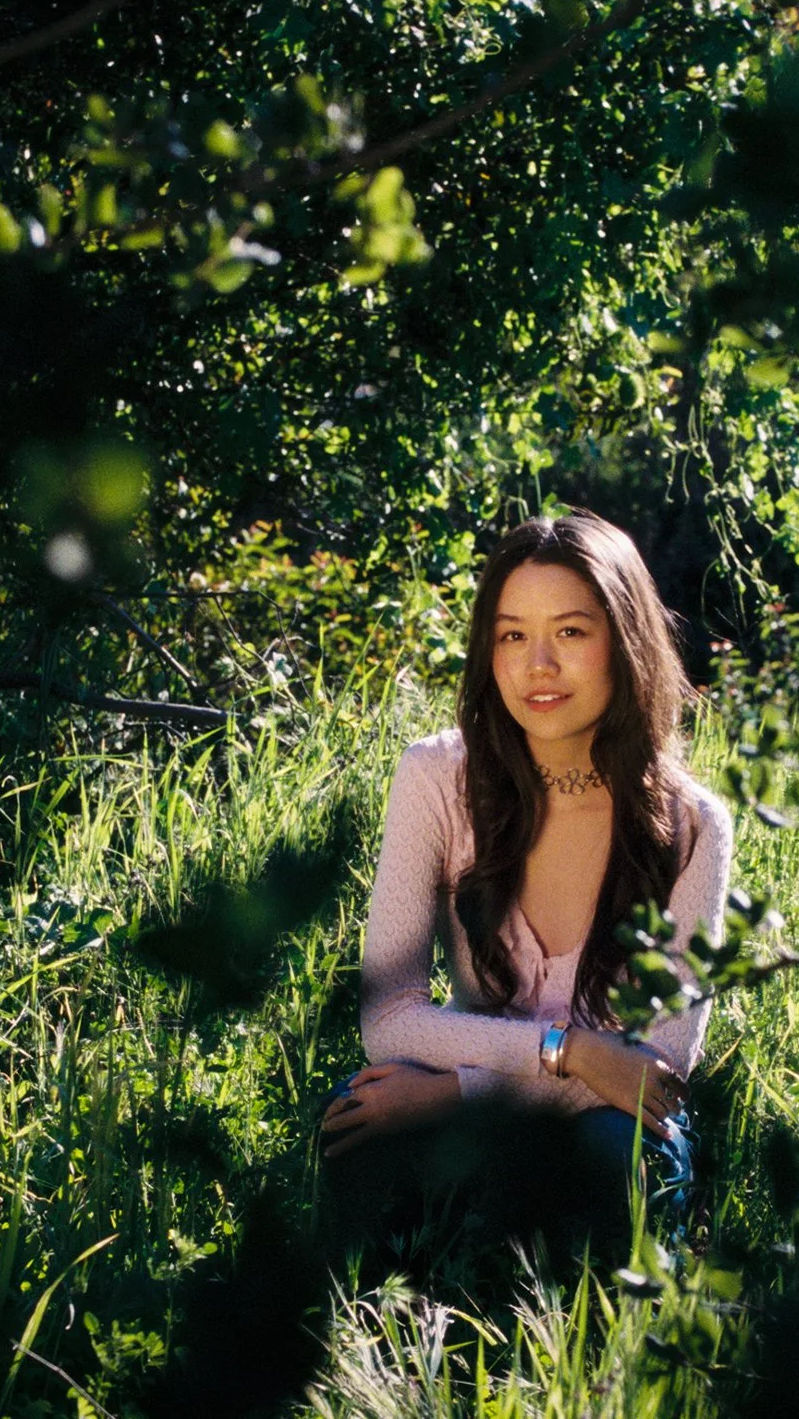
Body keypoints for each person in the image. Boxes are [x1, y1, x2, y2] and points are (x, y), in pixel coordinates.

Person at [317, 511, 734, 1249]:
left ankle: (582, 1330)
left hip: (612, 1127)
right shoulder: (435, 778)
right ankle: (391, 1334)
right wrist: (566, 1051)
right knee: (356, 1123)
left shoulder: (693, 824)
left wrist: (453, 1089)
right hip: (487, 1099)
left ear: (626, 643)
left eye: (570, 631)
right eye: (512, 634)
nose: (537, 664)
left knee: (610, 1155)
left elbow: (656, 1071)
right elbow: (387, 1017)